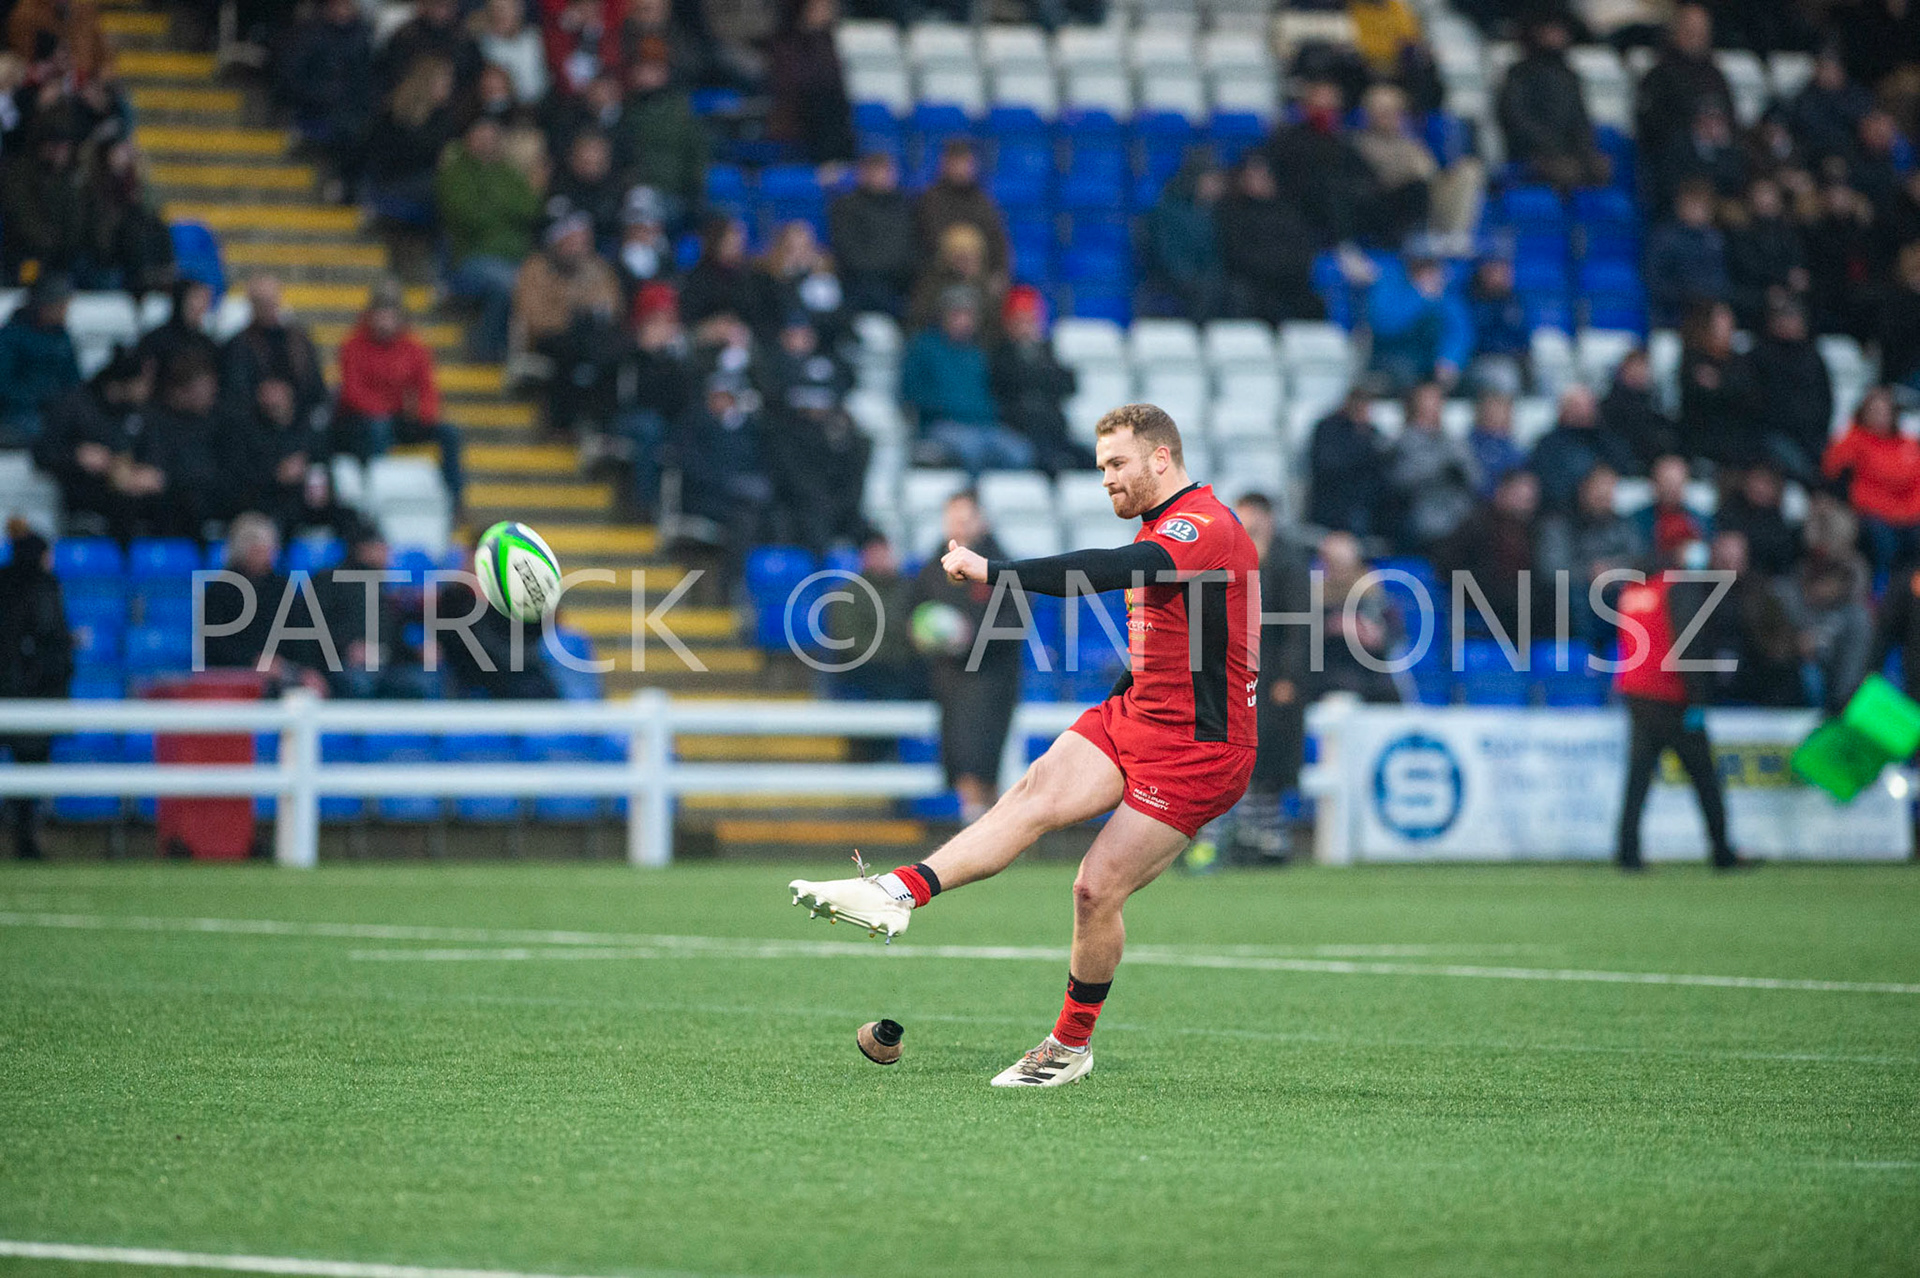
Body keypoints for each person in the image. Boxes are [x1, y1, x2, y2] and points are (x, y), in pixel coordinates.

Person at [790, 403, 1260, 1088]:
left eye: (1118, 464)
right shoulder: (1167, 526)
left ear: (1162, 458)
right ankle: (899, 890)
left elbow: (1108, 568)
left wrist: (992, 570)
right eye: (1101, 467)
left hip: (1200, 748)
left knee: (1095, 890)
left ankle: (1068, 1048)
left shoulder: (1203, 525)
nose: (1106, 480)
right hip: (1139, 713)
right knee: (1035, 790)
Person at [1611, 526, 1746, 871]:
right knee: (1705, 777)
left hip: (1636, 691)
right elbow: (1688, 642)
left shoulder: (1633, 589)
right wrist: (1698, 697)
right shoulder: (1677, 586)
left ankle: (1628, 852)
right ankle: (1722, 851)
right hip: (1671, 694)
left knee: (1638, 777)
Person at [908, 490, 1024, 825]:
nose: (958, 525)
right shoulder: (933, 566)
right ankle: (982, 825)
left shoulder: (1001, 564)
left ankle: (984, 827)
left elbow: (1015, 622)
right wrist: (921, 634)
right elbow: (912, 613)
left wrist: (971, 637)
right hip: (949, 679)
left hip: (992, 679)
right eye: (952, 518)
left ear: (981, 520)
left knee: (983, 757)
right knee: (959, 756)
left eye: (965, 517)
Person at [334, 280, 462, 508]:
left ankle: (454, 500)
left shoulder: (413, 349)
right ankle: (376, 496)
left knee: (449, 434)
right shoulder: (353, 346)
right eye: (380, 315)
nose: (384, 322)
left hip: (400, 418)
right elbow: (352, 393)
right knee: (377, 428)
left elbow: (426, 389)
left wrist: (422, 415)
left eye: (390, 316)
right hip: (362, 421)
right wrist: (385, 409)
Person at [436, 114, 542, 362]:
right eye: (480, 135)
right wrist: (503, 212)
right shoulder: (455, 172)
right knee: (509, 285)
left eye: (492, 136)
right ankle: (486, 348)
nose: (486, 142)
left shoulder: (509, 173)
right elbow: (465, 216)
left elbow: (529, 208)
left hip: (516, 258)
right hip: (472, 257)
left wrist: (492, 205)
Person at [757, 316, 867, 552]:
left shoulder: (844, 439)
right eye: (809, 406)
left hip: (836, 506)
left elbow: (851, 479)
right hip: (797, 506)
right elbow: (793, 481)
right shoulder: (786, 437)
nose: (817, 411)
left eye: (822, 405)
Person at [512, 212, 625, 436]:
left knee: (609, 354)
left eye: (583, 241)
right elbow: (532, 316)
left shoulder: (599, 269)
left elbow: (611, 308)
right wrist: (571, 311)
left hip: (590, 339)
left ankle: (603, 428)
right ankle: (560, 422)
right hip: (549, 337)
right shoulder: (536, 268)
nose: (578, 247)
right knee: (569, 352)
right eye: (572, 240)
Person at [899, 289, 1034, 475]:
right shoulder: (923, 347)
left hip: (984, 426)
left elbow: (989, 393)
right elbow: (910, 392)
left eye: (968, 315)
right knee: (972, 449)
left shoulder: (977, 353)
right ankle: (969, 500)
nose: (963, 320)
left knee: (1020, 452)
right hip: (942, 425)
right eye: (957, 314)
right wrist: (947, 406)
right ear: (943, 316)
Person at [0, 520, 72, 860]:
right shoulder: (43, 586)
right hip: (33, 692)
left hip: (11, 688)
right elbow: (47, 638)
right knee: (30, 767)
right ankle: (26, 841)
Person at [32, 347, 159, 539]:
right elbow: (42, 452)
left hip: (135, 501)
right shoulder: (75, 404)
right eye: (144, 381)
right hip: (86, 500)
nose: (150, 387)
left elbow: (158, 455)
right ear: (128, 380)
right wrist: (76, 455)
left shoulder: (144, 413)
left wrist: (149, 473)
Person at [1537, 463, 1646, 645]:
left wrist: (1612, 572)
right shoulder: (1559, 523)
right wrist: (1589, 573)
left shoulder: (1624, 524)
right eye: (1598, 488)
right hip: (1572, 598)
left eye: (1609, 489)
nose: (1603, 495)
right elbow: (1550, 568)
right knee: (1574, 597)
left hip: (1615, 591)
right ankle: (1586, 656)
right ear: (1583, 489)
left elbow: (1640, 561)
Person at [1497, 14, 1608, 190]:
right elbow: (1515, 118)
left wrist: (1582, 150)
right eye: (1551, 31)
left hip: (1569, 152)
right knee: (1563, 170)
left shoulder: (1569, 76)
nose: (1557, 36)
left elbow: (1580, 119)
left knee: (1599, 167)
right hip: (1532, 152)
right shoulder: (1519, 74)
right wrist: (1551, 146)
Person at [990, 285, 1090, 477]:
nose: (1027, 327)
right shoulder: (1001, 355)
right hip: (1023, 432)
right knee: (1048, 462)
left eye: (1031, 320)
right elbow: (1013, 383)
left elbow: (1069, 384)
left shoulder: (1046, 351)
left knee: (1091, 460)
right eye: (1021, 321)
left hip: (1055, 431)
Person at [1822, 386, 1920, 582]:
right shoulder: (1856, 440)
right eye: (1875, 411)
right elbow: (1831, 468)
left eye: (1885, 411)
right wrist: (1852, 431)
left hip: (1909, 513)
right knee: (1884, 542)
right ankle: (1881, 588)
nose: (1881, 417)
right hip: (1873, 513)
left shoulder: (1907, 444)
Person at [1215, 152, 1323, 324]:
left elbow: (1303, 251)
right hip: (1253, 283)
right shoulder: (1232, 214)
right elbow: (1237, 254)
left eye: (1264, 176)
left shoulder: (1288, 213)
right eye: (1253, 176)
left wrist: (1285, 270)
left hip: (1289, 282)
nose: (1259, 181)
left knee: (1314, 304)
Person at [1437, 467, 1544, 640]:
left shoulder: (1535, 531)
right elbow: (1448, 565)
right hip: (1482, 600)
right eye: (1519, 495)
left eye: (1530, 498)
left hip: (1523, 601)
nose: (1525, 503)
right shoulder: (1476, 525)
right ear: (1501, 492)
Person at [1633, 4, 1734, 176]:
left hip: (1719, 164)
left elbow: (1731, 120)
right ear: (1676, 32)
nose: (1697, 38)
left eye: (1701, 32)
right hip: (1677, 169)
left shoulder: (1715, 76)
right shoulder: (1658, 77)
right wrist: (1692, 132)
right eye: (1691, 31)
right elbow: (1652, 130)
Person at [221, 275, 328, 437]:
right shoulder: (237, 345)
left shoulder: (298, 341)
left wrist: (289, 398)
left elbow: (314, 387)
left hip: (297, 424)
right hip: (253, 429)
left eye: (271, 300)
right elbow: (234, 391)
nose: (269, 307)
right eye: (262, 302)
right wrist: (264, 396)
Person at [609, 54, 708, 224]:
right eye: (640, 69)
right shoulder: (623, 109)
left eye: (652, 70)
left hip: (674, 190)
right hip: (635, 189)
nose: (644, 75)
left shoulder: (679, 110)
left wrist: (695, 187)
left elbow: (697, 150)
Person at [1387, 380, 1478, 550]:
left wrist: (1459, 471)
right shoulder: (1400, 442)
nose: (1433, 405)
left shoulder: (1455, 440)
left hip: (1459, 520)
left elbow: (1476, 479)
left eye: (1437, 399)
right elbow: (1399, 480)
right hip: (1421, 520)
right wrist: (1439, 468)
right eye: (1428, 399)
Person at [1749, 300, 1831, 483]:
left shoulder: (1813, 357)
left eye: (1794, 318)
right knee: (1799, 465)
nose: (1790, 323)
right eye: (1784, 318)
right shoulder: (1760, 356)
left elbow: (1826, 400)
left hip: (1813, 436)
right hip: (1776, 434)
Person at [764, 0, 853, 164]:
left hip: (829, 117)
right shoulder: (786, 43)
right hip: (797, 114)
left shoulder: (827, 41)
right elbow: (794, 82)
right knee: (822, 100)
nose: (826, 12)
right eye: (820, 7)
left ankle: (840, 162)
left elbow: (834, 82)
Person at [829, 150, 916, 318]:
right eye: (875, 171)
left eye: (885, 171)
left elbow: (913, 247)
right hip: (862, 281)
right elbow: (849, 252)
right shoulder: (846, 207)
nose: (880, 177)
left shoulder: (906, 205)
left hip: (902, 281)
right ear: (862, 174)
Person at [1366, 255, 1472, 391]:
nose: (1428, 274)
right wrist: (1420, 298)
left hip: (1432, 363)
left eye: (1432, 268)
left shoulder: (1448, 300)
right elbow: (1384, 326)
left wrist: (1450, 358)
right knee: (1405, 373)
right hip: (1394, 359)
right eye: (1422, 268)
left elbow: (1460, 333)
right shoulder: (1389, 287)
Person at [1144, 151, 1226, 324]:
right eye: (1212, 180)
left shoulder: (1216, 214)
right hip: (1173, 285)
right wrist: (1194, 279)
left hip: (1206, 283)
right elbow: (1169, 259)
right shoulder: (1168, 212)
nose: (1217, 186)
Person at [1530, 383, 1637, 514]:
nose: (1584, 411)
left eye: (1589, 405)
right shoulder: (1548, 445)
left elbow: (1626, 468)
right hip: (1566, 515)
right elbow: (1550, 485)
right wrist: (1586, 489)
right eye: (1577, 406)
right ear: (1562, 410)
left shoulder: (1608, 439)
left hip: (1612, 511)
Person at [0, 272, 80, 445]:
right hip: (20, 412)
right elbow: (4, 385)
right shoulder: (11, 337)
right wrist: (40, 397)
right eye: (61, 306)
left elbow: (73, 380)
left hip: (58, 410)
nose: (65, 312)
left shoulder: (62, 337)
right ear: (45, 306)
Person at [1676, 300, 1757, 469]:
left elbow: (1750, 398)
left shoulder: (1741, 362)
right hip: (1702, 442)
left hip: (1740, 442)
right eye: (1721, 319)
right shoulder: (1692, 359)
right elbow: (1698, 401)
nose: (1728, 324)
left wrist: (1720, 384)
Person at [914, 141, 1011, 281]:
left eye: (964, 162)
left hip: (979, 280)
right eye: (955, 162)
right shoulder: (930, 200)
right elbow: (926, 242)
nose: (960, 168)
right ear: (944, 164)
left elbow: (998, 242)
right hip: (939, 279)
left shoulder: (983, 201)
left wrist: (999, 274)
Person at [1726, 177, 1809, 329]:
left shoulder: (1789, 233)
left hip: (1788, 296)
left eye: (1769, 194)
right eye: (1760, 194)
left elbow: (1797, 266)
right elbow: (1748, 268)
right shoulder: (1741, 233)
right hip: (1754, 296)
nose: (1765, 200)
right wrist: (1780, 280)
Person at [1646, 181, 1730, 329]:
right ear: (1680, 206)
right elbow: (1655, 281)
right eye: (1692, 205)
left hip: (1706, 319)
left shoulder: (1714, 239)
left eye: (1702, 206)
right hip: (1670, 319)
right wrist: (1689, 295)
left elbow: (1720, 278)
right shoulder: (1664, 238)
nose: (1697, 211)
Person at [1307, 385, 1384, 536]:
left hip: (1363, 507)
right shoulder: (1328, 428)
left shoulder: (1371, 432)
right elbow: (1327, 465)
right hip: (1331, 508)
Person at [1716, 461, 1799, 578]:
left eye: (1767, 483)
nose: (1759, 488)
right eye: (1757, 480)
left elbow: (1781, 561)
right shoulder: (1730, 507)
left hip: (1761, 581)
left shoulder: (1777, 525)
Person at [1600, 348, 1677, 472]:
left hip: (1653, 467)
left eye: (1643, 367)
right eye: (1635, 367)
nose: (1640, 373)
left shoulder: (1655, 405)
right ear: (1623, 371)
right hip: (1621, 467)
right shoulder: (1610, 406)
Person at [1467, 389, 1525, 497]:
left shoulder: (1515, 449)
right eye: (1493, 408)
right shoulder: (1468, 445)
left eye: (1503, 409)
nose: (1497, 414)